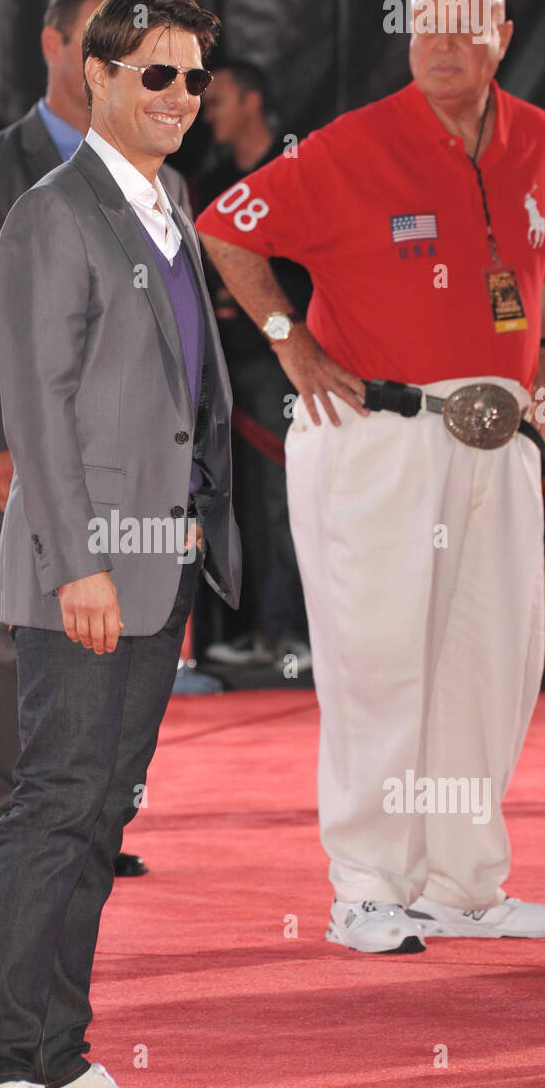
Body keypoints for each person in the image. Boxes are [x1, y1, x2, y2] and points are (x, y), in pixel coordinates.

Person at [197, 0, 545, 953]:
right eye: (423, 30)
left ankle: (462, 883)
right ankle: (365, 885)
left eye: (462, 29)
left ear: (502, 29)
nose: (439, 47)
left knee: (492, 666)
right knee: (379, 661)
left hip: (497, 441)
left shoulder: (540, 139)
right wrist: (288, 337)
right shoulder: (354, 143)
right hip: (377, 434)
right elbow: (223, 228)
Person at [0, 0, 240, 1088]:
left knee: (97, 812)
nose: (178, 96)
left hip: (155, 563)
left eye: (192, 77)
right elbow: (39, 404)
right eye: (153, 75)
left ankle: (57, 1060)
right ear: (98, 79)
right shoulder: (46, 215)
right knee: (52, 808)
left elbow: (173, 398)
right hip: (87, 575)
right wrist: (78, 563)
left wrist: (191, 519)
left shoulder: (166, 200)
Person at [0, 0, 192, 886]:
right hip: (23, 455)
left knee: (124, 636)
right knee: (17, 636)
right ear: (56, 48)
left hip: (140, 473)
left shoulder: (161, 176)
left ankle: (88, 822)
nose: (129, 64)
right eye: (102, 41)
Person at [196, 63, 312, 674]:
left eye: (218, 101)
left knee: (281, 499)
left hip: (282, 364)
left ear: (252, 100)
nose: (208, 112)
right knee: (228, 499)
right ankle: (251, 628)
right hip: (219, 367)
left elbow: (314, 270)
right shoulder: (211, 180)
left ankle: (289, 631)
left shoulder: (295, 173)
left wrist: (279, 322)